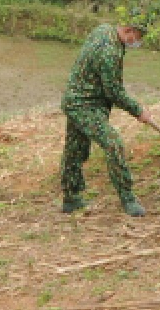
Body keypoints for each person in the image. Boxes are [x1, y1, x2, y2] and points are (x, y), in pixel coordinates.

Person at [60, 18, 154, 216]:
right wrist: (138, 111)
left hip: (75, 97)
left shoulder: (103, 29)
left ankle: (71, 198)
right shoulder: (109, 52)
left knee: (75, 149)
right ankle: (127, 198)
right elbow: (114, 92)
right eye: (138, 37)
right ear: (129, 30)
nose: (138, 41)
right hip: (83, 105)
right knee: (113, 143)